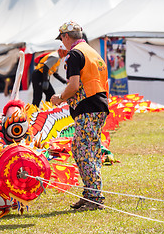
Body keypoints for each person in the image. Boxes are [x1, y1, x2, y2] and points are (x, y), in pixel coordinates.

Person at [51, 21, 109, 211]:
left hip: (88, 107)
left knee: (84, 151)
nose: (62, 43)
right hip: (98, 105)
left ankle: (94, 197)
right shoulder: (91, 51)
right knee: (85, 150)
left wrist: (60, 97)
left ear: (66, 37)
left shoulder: (74, 54)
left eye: (62, 38)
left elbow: (74, 86)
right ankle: (90, 193)